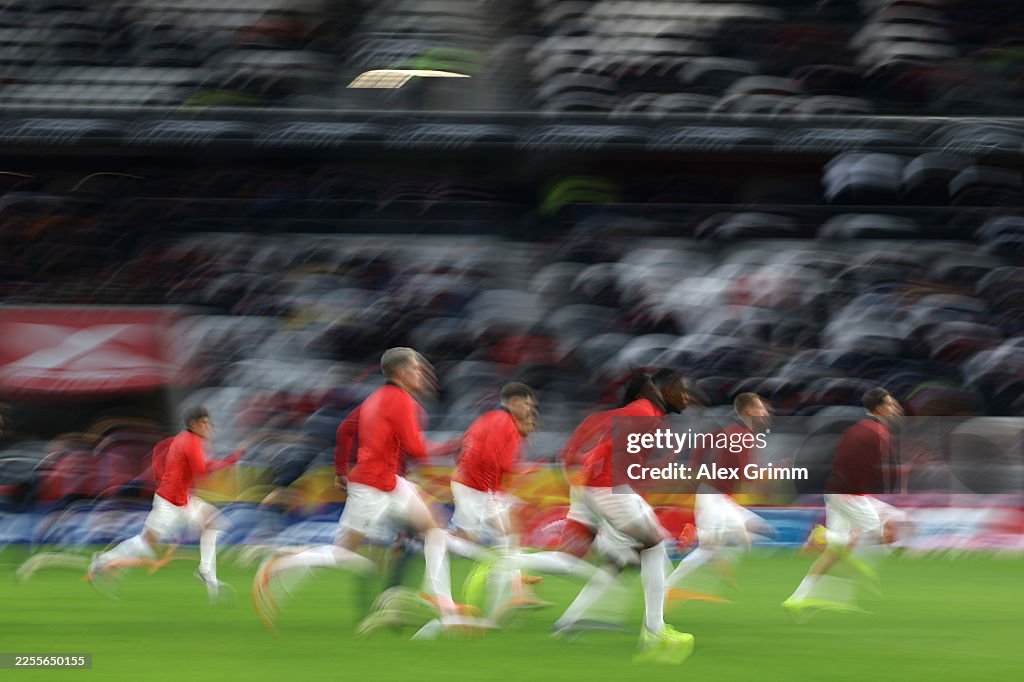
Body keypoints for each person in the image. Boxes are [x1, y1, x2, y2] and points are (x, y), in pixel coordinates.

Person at [253, 348, 476, 633]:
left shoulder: (374, 399)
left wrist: (340, 471)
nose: (422, 374)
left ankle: (443, 603)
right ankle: (280, 564)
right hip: (374, 487)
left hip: (386, 481)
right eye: (416, 369)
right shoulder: (402, 401)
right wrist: (452, 445)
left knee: (434, 529)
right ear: (401, 373)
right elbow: (416, 449)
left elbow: (346, 429)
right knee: (343, 552)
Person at [553, 369, 695, 664]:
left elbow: (612, 441)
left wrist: (582, 457)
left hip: (609, 487)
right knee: (653, 544)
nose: (687, 397)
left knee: (623, 561)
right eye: (682, 390)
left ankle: (569, 620)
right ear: (663, 390)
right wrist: (574, 454)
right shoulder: (643, 410)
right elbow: (603, 424)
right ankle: (654, 631)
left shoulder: (652, 416)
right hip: (607, 488)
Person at [87, 406, 239, 601]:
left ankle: (206, 571)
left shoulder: (184, 438)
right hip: (170, 502)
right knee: (146, 543)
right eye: (204, 423)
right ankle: (102, 560)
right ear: (193, 424)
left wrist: (164, 476)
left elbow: (160, 450)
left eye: (209, 424)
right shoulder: (191, 442)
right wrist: (229, 461)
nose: (208, 427)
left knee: (211, 523)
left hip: (180, 499)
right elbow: (202, 472)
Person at [782, 388, 906, 619]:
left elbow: (845, 460)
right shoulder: (880, 433)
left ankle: (796, 599)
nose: (896, 408)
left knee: (835, 553)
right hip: (850, 495)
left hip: (835, 492)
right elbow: (872, 470)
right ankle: (823, 536)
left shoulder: (857, 427)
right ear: (880, 408)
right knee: (882, 533)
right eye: (891, 404)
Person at [665, 392, 774, 604]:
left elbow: (703, 445)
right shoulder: (743, 436)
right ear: (749, 411)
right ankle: (671, 584)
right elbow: (746, 477)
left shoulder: (733, 430)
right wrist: (769, 475)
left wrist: (694, 467)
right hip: (714, 499)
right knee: (711, 548)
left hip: (720, 498)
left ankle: (718, 562)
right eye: (761, 408)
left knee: (754, 533)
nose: (766, 412)